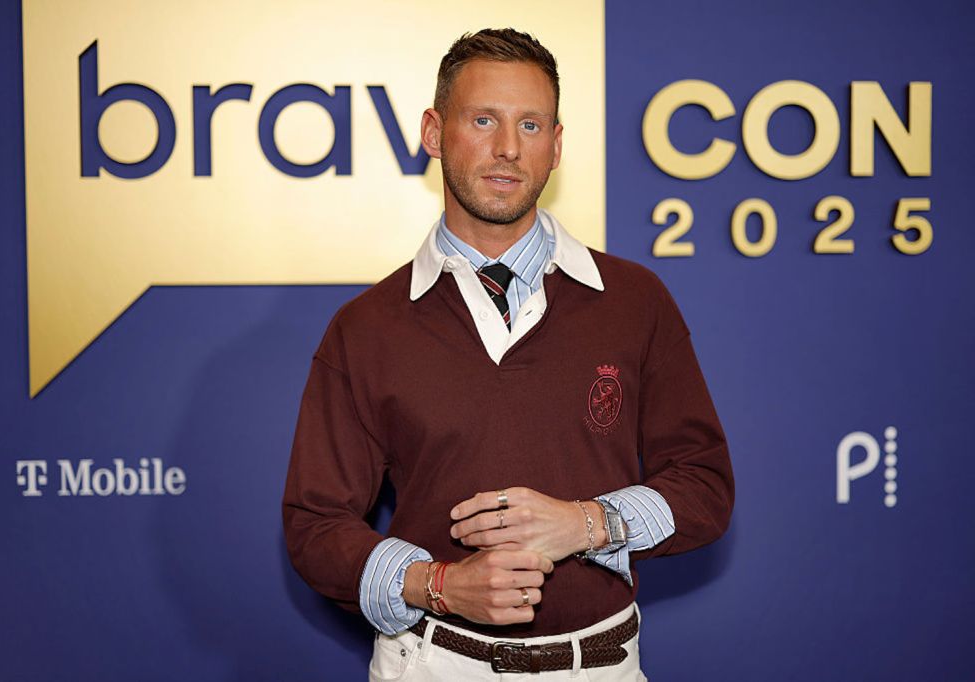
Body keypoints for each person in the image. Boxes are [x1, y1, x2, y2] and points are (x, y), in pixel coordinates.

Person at [282, 28, 734, 680]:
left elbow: (704, 486)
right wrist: (438, 583)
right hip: (433, 665)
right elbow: (315, 524)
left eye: (530, 125)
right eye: (483, 120)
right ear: (434, 133)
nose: (508, 149)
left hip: (602, 666)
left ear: (556, 145)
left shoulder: (636, 301)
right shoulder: (365, 327)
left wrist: (586, 524)